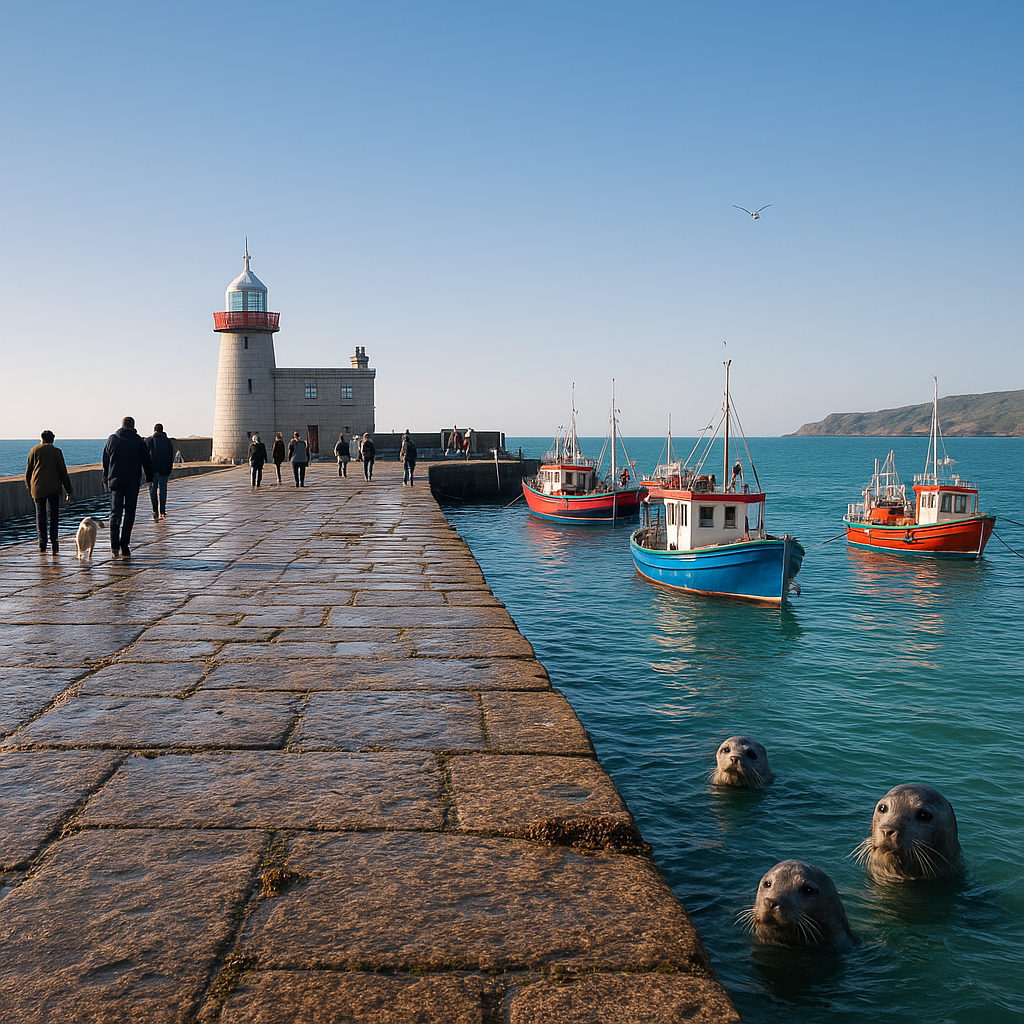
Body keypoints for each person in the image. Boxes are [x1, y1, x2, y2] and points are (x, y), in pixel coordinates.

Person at [102, 415, 154, 558]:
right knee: (129, 514)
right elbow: (147, 461)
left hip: (115, 483)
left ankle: (114, 546)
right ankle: (124, 546)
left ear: (122, 425)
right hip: (132, 483)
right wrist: (149, 478)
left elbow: (105, 461)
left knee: (115, 514)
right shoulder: (138, 441)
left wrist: (105, 478)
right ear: (133, 426)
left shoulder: (112, 439)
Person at [24, 430, 73, 554]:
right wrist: (69, 491)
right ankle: (54, 542)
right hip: (54, 488)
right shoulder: (57, 452)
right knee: (53, 516)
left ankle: (42, 543)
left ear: (41, 439)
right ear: (53, 439)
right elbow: (63, 473)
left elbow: (28, 473)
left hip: (38, 488)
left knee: (40, 516)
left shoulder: (34, 451)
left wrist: (30, 488)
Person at [146, 423, 175, 521]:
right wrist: (169, 469)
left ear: (154, 430)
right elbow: (170, 457)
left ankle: (155, 510)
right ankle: (162, 511)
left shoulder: (149, 440)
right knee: (163, 491)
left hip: (152, 471)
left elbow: (146, 457)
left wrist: (147, 471)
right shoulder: (167, 442)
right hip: (164, 470)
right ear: (162, 430)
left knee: (152, 491)